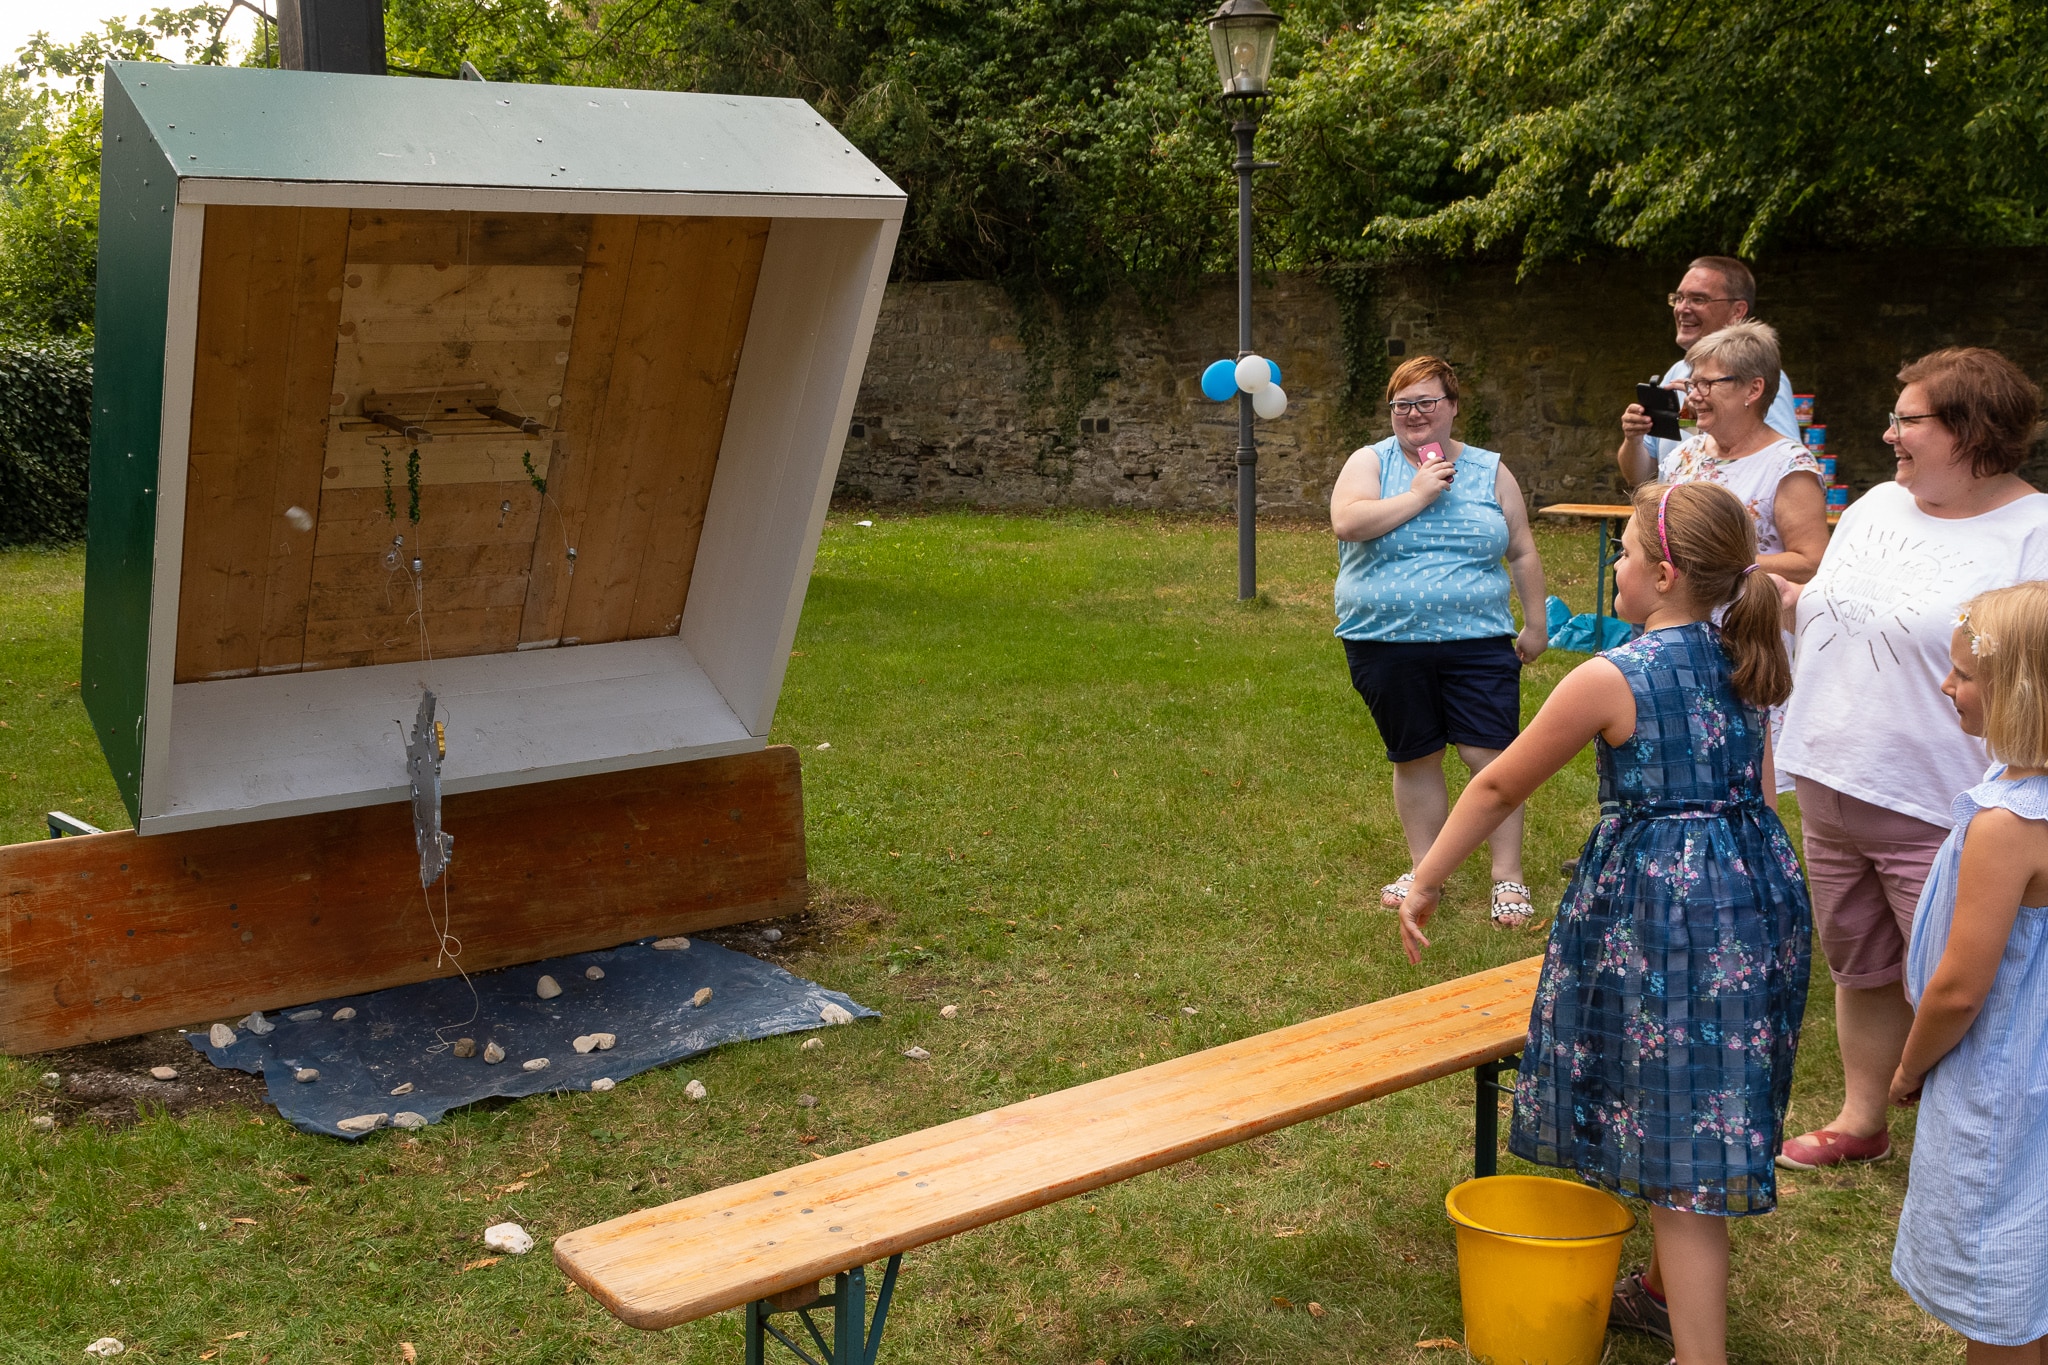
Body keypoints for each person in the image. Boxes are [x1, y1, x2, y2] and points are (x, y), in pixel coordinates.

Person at [1401, 480, 1811, 1365]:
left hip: (1670, 914)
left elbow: (1499, 783)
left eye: (1624, 553)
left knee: (1680, 1150)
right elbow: (1761, 790)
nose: (1614, 568)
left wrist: (1425, 879)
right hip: (1755, 899)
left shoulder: (1612, 675)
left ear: (1664, 574)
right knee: (1695, 1105)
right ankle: (1661, 1295)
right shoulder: (1745, 653)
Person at [1774, 347, 2048, 1172]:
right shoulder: (1878, 503)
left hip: (1945, 801)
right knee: (1859, 962)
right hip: (1831, 774)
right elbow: (1834, 610)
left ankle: (1967, 1148)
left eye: (1908, 419)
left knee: (1954, 979)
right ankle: (1863, 1118)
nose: (1889, 433)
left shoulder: (2034, 532)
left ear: (1971, 431)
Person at [1330, 355, 1548, 928]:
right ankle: (1425, 871)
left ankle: (1507, 876)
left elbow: (1522, 549)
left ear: (1452, 406)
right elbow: (1348, 522)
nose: (1413, 413)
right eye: (1402, 404)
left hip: (1478, 639)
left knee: (1490, 755)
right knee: (1416, 754)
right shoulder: (1370, 462)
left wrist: (1536, 623)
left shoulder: (1490, 470)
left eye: (1426, 401)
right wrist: (1420, 494)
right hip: (1385, 639)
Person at [1888, 582, 2048, 1363]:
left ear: (2020, 691)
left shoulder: (2009, 825)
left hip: (2001, 1076)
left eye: (1965, 673)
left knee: (1998, 1279)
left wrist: (1910, 1065)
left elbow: (1959, 988)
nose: (1946, 685)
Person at [1617, 320, 1828, 582]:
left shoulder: (1789, 466)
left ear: (1753, 389)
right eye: (1693, 384)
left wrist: (1720, 564)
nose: (1693, 396)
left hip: (1748, 609)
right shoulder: (1685, 455)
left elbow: (1810, 563)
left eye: (1707, 384)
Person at [1618, 256, 1801, 476]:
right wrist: (1634, 440)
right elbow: (1641, 477)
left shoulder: (1755, 377)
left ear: (1737, 311)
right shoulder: (1677, 371)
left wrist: (1700, 422)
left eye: (1698, 299)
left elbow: (1783, 466)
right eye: (1679, 298)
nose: (1682, 308)